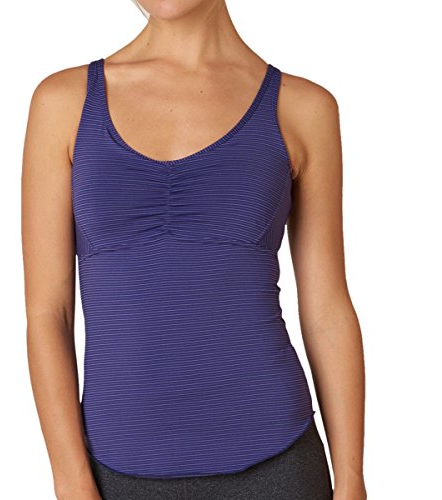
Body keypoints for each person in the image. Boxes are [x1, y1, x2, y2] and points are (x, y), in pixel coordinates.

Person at [21, 1, 367, 499]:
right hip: (114, 473)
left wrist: (351, 479)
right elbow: (47, 313)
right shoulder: (64, 102)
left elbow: (327, 310)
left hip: (279, 465)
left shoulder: (303, 108)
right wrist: (70, 479)